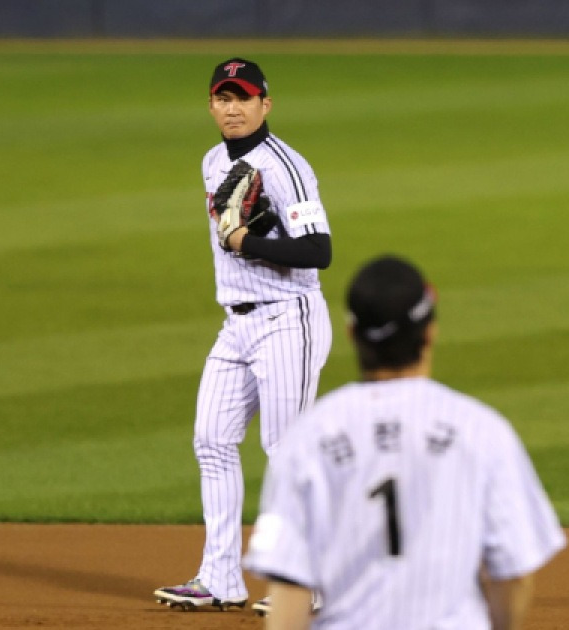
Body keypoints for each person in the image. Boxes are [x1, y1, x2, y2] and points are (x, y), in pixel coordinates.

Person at [242, 254, 567, 629]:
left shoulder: (309, 438)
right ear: (430, 332)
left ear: (352, 334)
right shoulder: (481, 431)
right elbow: (514, 575)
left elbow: (290, 584)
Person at [154, 57, 334, 613]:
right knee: (211, 440)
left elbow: (318, 251)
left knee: (284, 451)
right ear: (211, 105)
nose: (232, 108)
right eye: (222, 98)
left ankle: (305, 585)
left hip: (288, 319)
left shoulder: (286, 167)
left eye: (243, 97)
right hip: (235, 324)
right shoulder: (212, 160)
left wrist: (245, 243)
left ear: (265, 104)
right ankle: (221, 578)